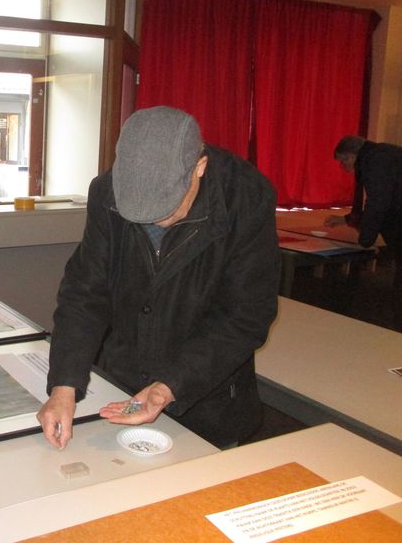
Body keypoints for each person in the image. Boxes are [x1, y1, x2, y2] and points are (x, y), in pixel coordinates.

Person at [36, 106, 280, 449]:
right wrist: (64, 384)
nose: (153, 224)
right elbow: (85, 292)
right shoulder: (108, 191)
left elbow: (245, 316)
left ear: (199, 167)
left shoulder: (246, 196)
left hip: (206, 393)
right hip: (121, 380)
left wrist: (170, 386)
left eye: (165, 211)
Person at [325, 135, 402, 329]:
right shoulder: (381, 154)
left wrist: (365, 240)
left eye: (343, 162)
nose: (344, 168)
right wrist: (347, 219)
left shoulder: (375, 161)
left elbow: (378, 203)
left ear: (351, 157)